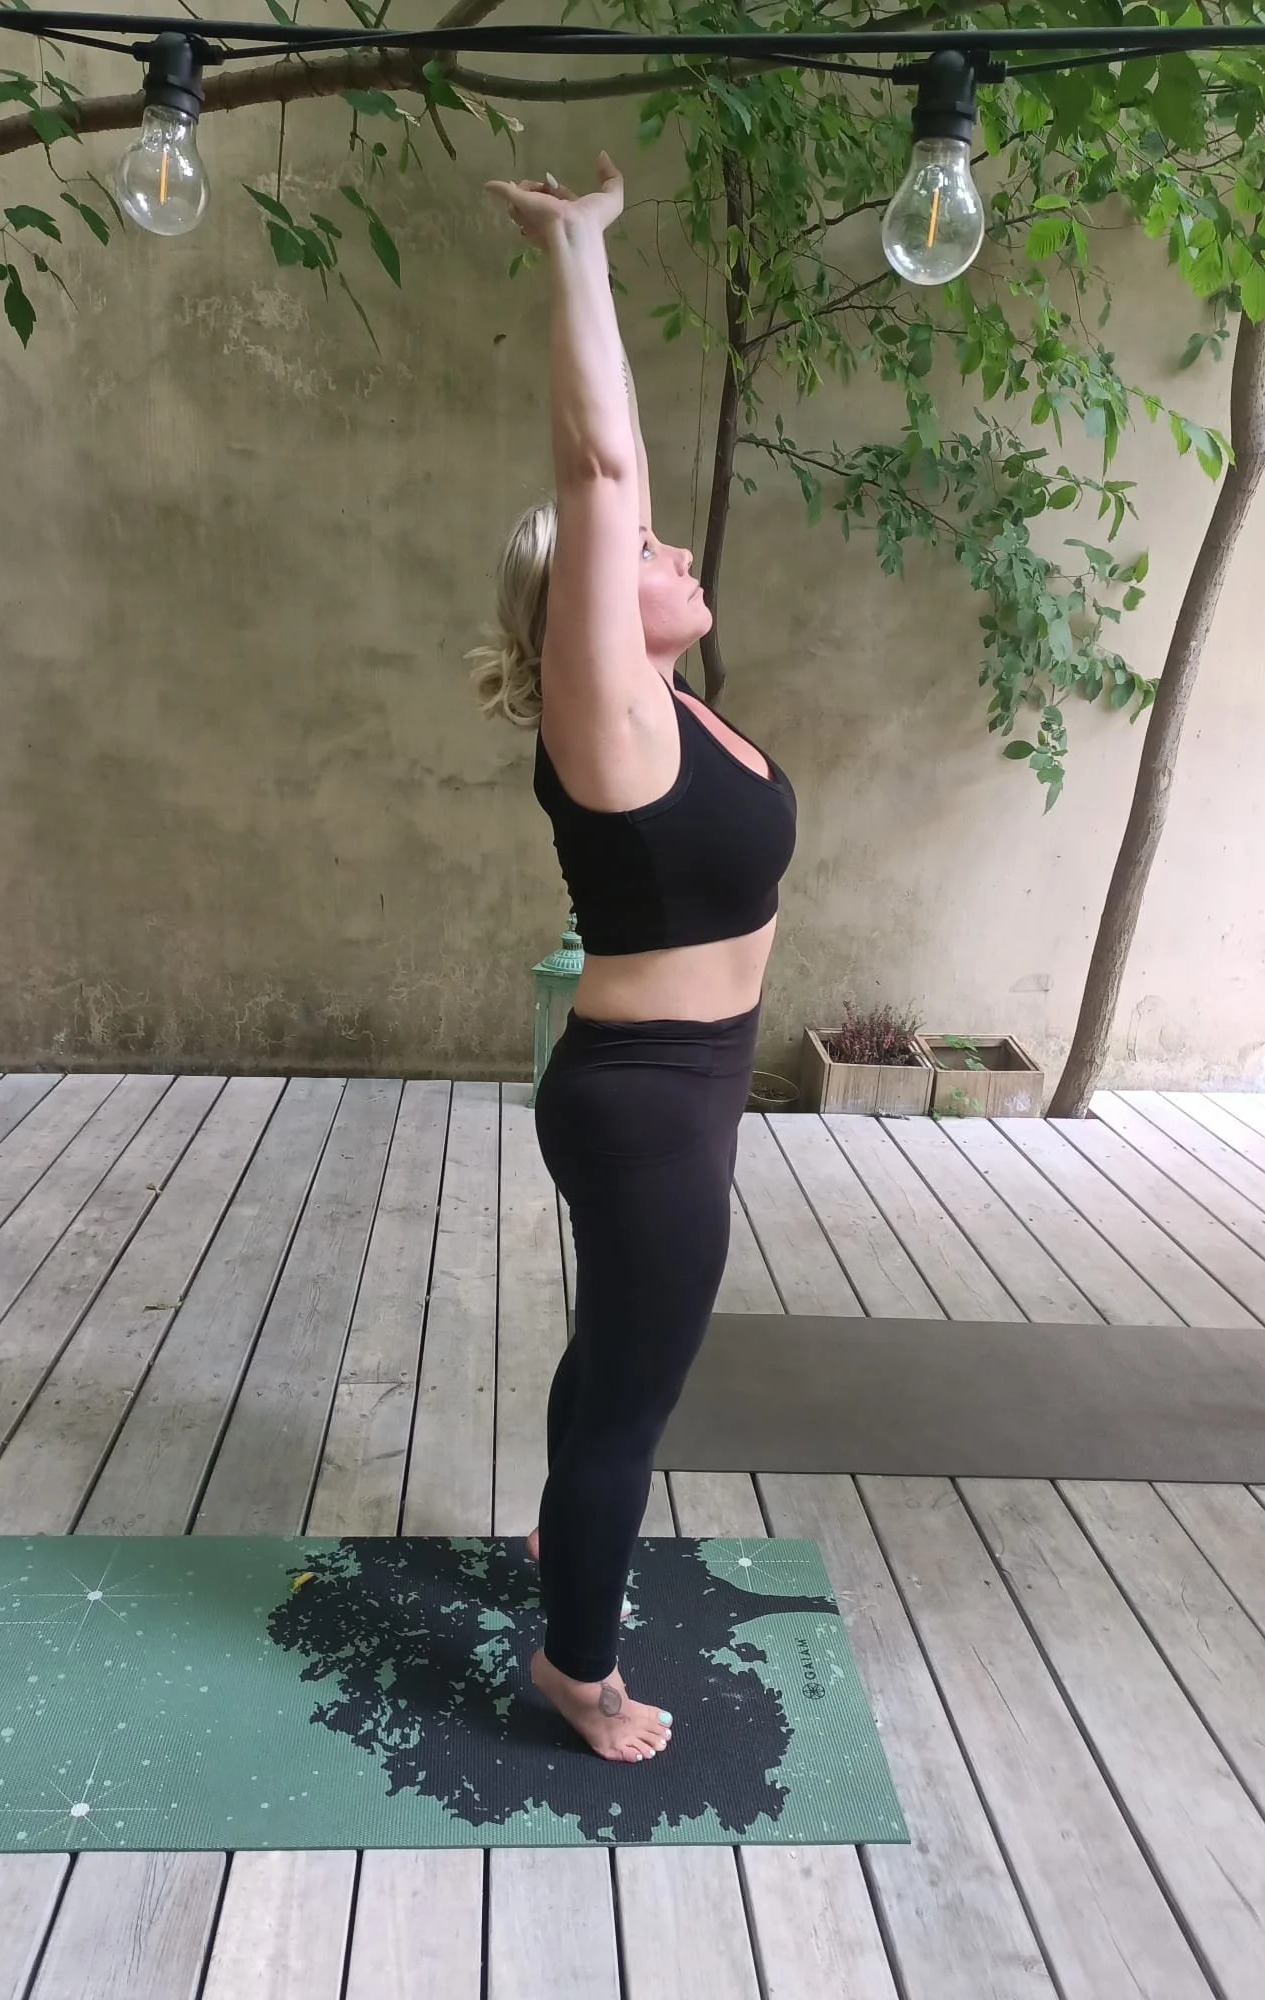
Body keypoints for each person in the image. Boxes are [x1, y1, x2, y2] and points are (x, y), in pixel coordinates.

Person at [474, 154, 798, 1764]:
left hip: (682, 1090)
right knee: (636, 1399)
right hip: (647, 1098)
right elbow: (603, 472)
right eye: (645, 554)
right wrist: (580, 247)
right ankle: (578, 1672)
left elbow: (625, 496)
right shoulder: (601, 719)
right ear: (588, 617)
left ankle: (559, 1558)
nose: (669, 551)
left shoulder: (682, 714)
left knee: (613, 1354)